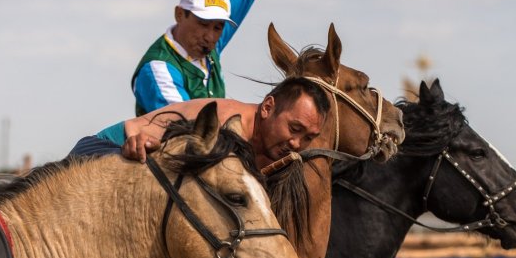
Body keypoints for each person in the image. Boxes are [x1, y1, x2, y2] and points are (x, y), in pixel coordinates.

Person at [70, 76, 331, 172]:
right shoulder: (223, 121)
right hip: (106, 150)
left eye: (308, 137)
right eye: (294, 129)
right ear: (267, 107)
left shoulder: (278, 153)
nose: (297, 144)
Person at [132, 0, 264, 116]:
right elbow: (188, 127)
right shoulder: (158, 69)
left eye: (218, 28)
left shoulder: (208, 44)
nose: (210, 37)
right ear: (179, 15)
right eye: (203, 24)